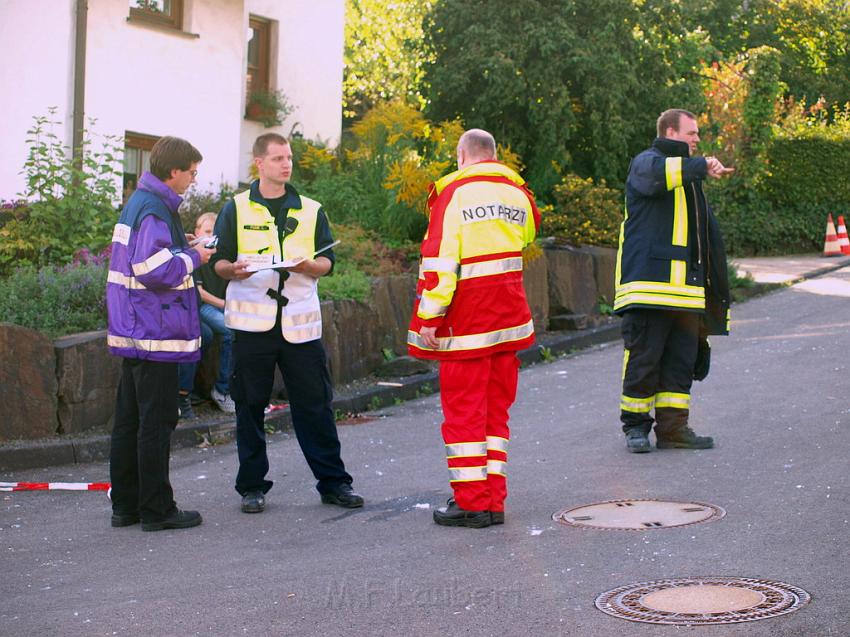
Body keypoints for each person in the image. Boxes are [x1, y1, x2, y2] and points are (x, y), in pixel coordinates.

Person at [212, 133, 363, 514]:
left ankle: (334, 484)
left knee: (315, 406)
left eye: (289, 157)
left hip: (299, 324)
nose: (286, 164)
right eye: (278, 158)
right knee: (249, 407)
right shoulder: (235, 208)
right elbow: (219, 263)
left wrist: (309, 267)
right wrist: (234, 270)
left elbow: (328, 263)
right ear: (259, 163)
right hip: (252, 326)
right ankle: (251, 487)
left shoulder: (311, 209)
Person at [408, 129, 541, 529]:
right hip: (509, 320)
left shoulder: (452, 195)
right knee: (495, 415)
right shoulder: (519, 194)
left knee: (464, 415)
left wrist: (429, 318)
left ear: (461, 155)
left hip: (466, 323)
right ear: (494, 155)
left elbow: (440, 266)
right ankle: (494, 500)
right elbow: (528, 236)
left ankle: (471, 503)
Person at [106, 136, 215, 531]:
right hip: (155, 332)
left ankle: (127, 506)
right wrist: (194, 256)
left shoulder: (141, 203)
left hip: (134, 331)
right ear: (174, 172)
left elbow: (142, 257)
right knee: (156, 423)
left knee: (129, 422)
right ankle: (157, 510)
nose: (193, 179)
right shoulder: (155, 208)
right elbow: (153, 271)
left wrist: (178, 246)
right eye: (191, 172)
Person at [614, 108, 734, 453]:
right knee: (643, 361)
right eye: (691, 133)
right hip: (650, 290)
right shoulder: (647, 163)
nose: (697, 139)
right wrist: (702, 165)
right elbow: (658, 175)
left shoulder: (690, 178)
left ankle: (673, 429)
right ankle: (636, 428)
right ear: (670, 132)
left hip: (687, 294)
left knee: (680, 366)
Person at [177, 212, 235, 417]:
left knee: (216, 334)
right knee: (227, 331)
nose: (212, 236)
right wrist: (226, 305)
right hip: (200, 306)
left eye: (215, 232)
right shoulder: (196, 254)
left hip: (221, 306)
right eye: (207, 232)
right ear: (196, 233)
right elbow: (199, 294)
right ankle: (221, 390)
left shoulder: (222, 254)